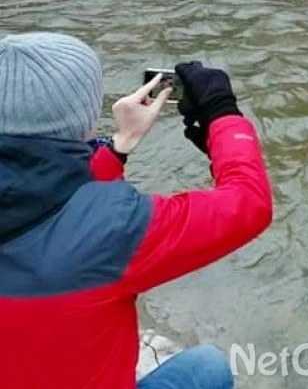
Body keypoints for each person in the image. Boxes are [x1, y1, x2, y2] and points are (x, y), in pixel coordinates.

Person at [0, 31, 273, 389]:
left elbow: (36, 197)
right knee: (208, 367)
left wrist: (118, 147)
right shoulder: (112, 228)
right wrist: (222, 116)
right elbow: (249, 204)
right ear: (84, 121)